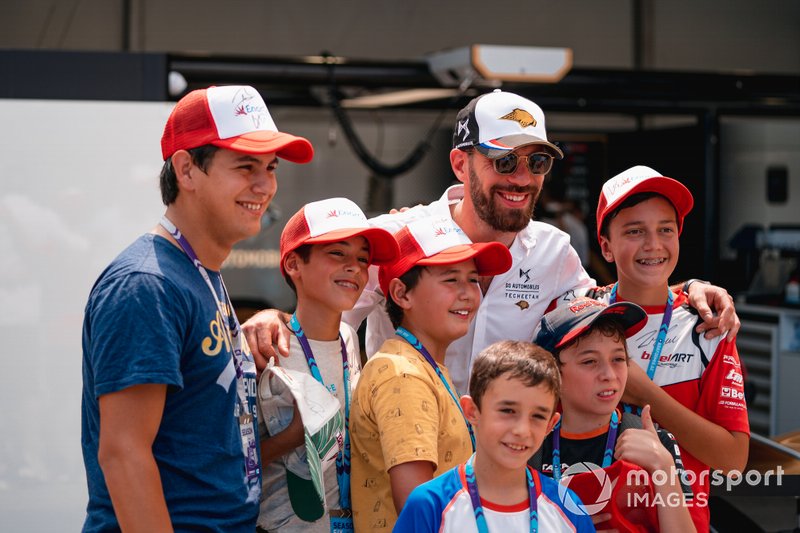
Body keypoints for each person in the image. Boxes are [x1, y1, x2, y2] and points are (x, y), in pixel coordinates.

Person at [242, 89, 741, 396]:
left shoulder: (554, 252)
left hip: (509, 468)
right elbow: (327, 321)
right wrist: (273, 318)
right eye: (505, 161)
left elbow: (607, 313)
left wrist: (687, 290)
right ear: (461, 164)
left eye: (537, 162)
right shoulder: (401, 235)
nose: (521, 178)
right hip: (404, 460)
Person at [80, 85, 313, 532]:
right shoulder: (147, 284)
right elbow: (124, 454)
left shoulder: (197, 271)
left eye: (270, 167)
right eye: (245, 166)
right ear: (186, 169)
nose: (264, 185)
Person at [553, 165, 750, 532]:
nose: (653, 245)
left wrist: (644, 392)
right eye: (634, 231)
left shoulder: (707, 325)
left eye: (665, 230)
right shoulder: (574, 312)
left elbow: (733, 460)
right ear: (606, 247)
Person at [349, 216, 512, 532]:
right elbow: (418, 512)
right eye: (451, 280)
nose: (468, 293)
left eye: (474, 279)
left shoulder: (420, 365)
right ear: (401, 294)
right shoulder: (404, 374)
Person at [256, 197, 399, 532]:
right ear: (293, 264)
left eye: (363, 259)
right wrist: (295, 436)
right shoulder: (267, 349)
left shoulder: (349, 338)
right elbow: (232, 463)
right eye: (338, 253)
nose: (355, 267)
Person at [394, 340, 595, 532]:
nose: (522, 430)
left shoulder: (568, 507)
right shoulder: (430, 504)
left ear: (550, 425)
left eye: (538, 416)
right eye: (508, 411)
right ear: (472, 411)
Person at [532, 297, 695, 533]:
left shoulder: (654, 442)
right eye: (589, 361)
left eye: (618, 359)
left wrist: (663, 467)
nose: (609, 374)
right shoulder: (530, 444)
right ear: (552, 375)